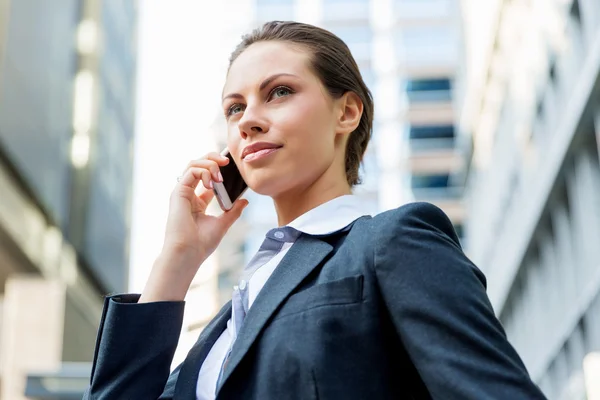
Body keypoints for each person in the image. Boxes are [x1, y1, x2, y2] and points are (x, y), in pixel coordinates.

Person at [83, 21, 547, 400]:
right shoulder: (220, 334)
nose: (248, 120)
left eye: (280, 92)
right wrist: (178, 259)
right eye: (235, 107)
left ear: (347, 112)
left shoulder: (393, 242)